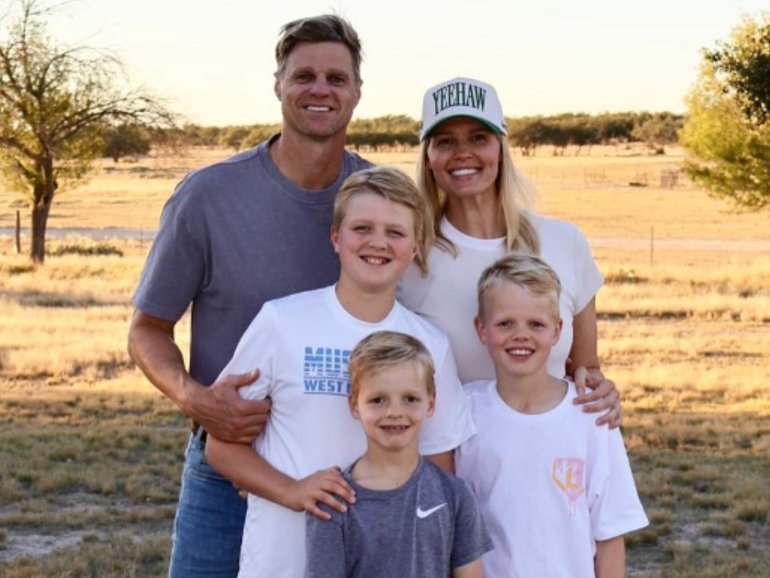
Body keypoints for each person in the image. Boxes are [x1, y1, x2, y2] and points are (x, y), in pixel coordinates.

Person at [127, 14, 373, 577]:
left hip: (347, 470)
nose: (320, 89)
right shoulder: (208, 196)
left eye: (336, 78)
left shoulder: (378, 205)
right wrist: (195, 399)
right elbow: (146, 330)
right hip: (230, 465)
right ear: (278, 85)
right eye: (303, 75)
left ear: (357, 91)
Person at [205, 166, 475, 578]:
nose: (378, 242)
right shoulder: (281, 322)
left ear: (416, 247)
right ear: (336, 237)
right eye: (362, 227)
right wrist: (291, 490)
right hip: (283, 561)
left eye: (396, 232)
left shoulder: (431, 344)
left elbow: (437, 468)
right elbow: (220, 448)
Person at [398, 77, 621, 424]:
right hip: (448, 463)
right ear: (428, 157)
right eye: (445, 141)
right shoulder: (409, 258)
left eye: (478, 138)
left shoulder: (565, 242)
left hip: (544, 461)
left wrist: (602, 391)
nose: (463, 153)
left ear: (500, 148)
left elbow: (586, 370)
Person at [455, 253, 648, 577]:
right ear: (482, 329)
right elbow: (456, 529)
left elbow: (610, 532)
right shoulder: (465, 413)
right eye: (505, 323)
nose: (521, 335)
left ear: (558, 331)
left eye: (536, 324)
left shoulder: (591, 414)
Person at [305, 330, 492, 578]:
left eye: (410, 399)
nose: (394, 411)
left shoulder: (455, 495)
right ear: (354, 406)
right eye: (378, 400)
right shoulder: (333, 503)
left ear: (431, 404)